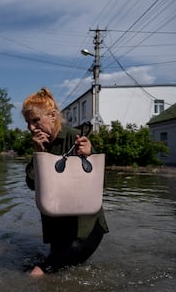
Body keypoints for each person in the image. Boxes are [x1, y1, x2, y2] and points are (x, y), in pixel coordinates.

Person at [22, 87, 109, 276]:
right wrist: (39, 154)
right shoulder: (41, 144)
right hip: (58, 229)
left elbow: (100, 185)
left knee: (38, 274)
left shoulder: (74, 137)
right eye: (28, 122)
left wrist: (89, 154)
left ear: (53, 116)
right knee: (60, 274)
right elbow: (32, 185)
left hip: (85, 229)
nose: (31, 128)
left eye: (35, 120)